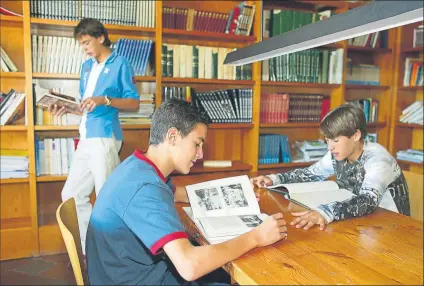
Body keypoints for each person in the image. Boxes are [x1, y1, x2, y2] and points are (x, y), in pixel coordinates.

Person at [85, 99, 288, 285]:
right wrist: (256, 237)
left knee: (224, 270)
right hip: (139, 279)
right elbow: (189, 267)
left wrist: (237, 196)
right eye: (197, 143)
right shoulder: (145, 189)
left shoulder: (138, 166)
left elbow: (178, 194)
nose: (200, 154)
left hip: (127, 273)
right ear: (172, 136)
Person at [49, 18, 140, 252]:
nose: (85, 48)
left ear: (101, 38)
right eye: (81, 44)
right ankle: (90, 249)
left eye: (87, 42)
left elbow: (134, 102)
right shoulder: (86, 67)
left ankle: (116, 254)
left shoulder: (120, 63)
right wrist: (67, 108)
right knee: (71, 195)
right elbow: (85, 106)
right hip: (86, 137)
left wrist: (105, 100)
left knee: (106, 199)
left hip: (105, 137)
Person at [251, 104, 410, 231]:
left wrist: (326, 212)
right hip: (359, 221)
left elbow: (367, 201)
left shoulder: (378, 160)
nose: (330, 147)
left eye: (335, 140)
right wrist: (274, 179)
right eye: (327, 140)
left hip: (390, 228)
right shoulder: (340, 153)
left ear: (355, 135)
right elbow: (311, 174)